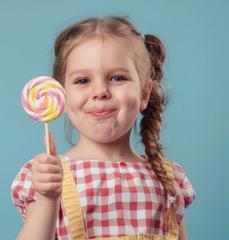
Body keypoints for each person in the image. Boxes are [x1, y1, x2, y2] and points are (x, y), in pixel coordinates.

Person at [11, 16, 196, 240]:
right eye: (82, 81)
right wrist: (48, 199)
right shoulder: (47, 176)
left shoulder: (169, 178)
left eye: (117, 78)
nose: (100, 91)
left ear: (144, 94)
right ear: (62, 96)